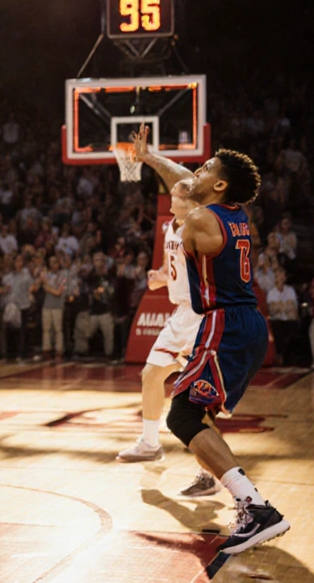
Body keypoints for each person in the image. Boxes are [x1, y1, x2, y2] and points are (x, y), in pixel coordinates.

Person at [166, 148, 290, 554]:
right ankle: (230, 490)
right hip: (244, 323)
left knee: (182, 414)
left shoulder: (199, 220)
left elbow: (181, 191)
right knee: (195, 414)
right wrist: (150, 159)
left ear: (219, 185)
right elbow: (184, 185)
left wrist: (175, 184)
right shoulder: (235, 214)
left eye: (204, 169)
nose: (195, 173)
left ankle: (254, 507)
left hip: (227, 324)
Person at [117, 126, 209, 477]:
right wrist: (161, 276)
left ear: (193, 201)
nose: (173, 192)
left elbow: (186, 177)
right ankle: (151, 444)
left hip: (200, 317)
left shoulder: (198, 225)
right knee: (151, 374)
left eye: (180, 193)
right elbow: (176, 266)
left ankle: (208, 471)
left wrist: (151, 158)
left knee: (198, 395)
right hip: (179, 314)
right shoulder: (171, 225)